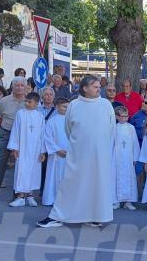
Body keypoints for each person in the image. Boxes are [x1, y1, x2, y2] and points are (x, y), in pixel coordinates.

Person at [37, 75, 117, 228]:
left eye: (99, 86)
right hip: (78, 153)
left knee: (96, 184)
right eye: (95, 86)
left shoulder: (105, 104)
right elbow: (68, 129)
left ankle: (94, 215)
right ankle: (58, 215)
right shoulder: (74, 104)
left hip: (100, 154)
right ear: (85, 88)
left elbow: (111, 129)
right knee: (71, 183)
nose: (98, 89)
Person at [0, 77, 27, 200]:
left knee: (21, 164)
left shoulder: (29, 101)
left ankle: (19, 193)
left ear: (26, 87)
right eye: (17, 85)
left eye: (22, 85)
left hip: (23, 136)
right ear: (12, 86)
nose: (19, 87)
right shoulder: (4, 101)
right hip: (6, 133)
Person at [7, 92, 45, 207]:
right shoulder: (20, 114)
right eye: (26, 101)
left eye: (30, 102)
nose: (27, 104)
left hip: (35, 149)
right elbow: (16, 130)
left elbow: (43, 134)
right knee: (22, 170)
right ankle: (20, 197)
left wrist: (43, 150)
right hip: (23, 148)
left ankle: (30, 195)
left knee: (34, 171)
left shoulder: (40, 116)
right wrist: (15, 147)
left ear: (37, 103)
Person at [41, 97, 70, 206]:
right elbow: (47, 137)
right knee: (53, 176)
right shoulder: (52, 121)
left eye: (68, 107)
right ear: (57, 107)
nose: (66, 109)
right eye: (64, 107)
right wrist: (57, 150)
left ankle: (67, 200)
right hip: (56, 155)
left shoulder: (72, 121)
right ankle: (51, 198)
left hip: (70, 154)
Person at [113, 105, 140, 210]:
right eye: (122, 116)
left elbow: (135, 143)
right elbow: (111, 143)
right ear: (117, 117)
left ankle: (128, 201)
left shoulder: (131, 128)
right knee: (116, 178)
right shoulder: (114, 128)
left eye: (126, 116)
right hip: (117, 158)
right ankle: (116, 201)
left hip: (128, 158)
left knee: (129, 178)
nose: (125, 118)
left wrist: (135, 158)